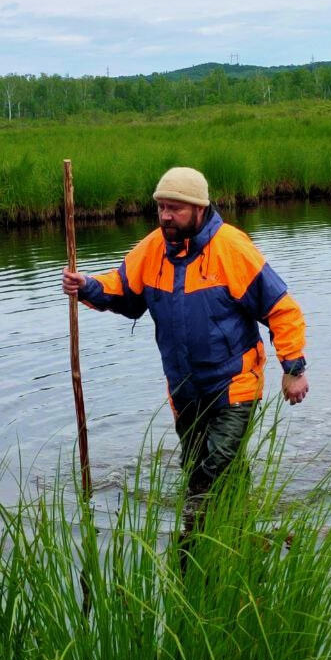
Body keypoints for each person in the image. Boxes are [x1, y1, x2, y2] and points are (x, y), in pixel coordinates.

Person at [61, 166, 307, 562]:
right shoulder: (153, 249)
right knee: (197, 469)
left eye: (173, 209)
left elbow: (282, 309)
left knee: (213, 466)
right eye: (160, 208)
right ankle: (235, 537)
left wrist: (293, 368)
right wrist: (87, 286)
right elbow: (124, 290)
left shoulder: (232, 249)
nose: (165, 217)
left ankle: (195, 545)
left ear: (198, 208)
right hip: (183, 387)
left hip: (234, 382)